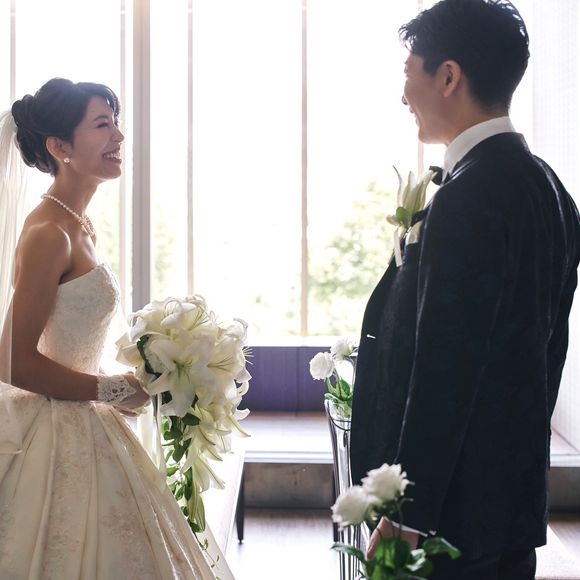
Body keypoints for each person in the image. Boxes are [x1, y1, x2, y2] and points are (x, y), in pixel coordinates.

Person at [350, 1, 580, 579]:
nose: (404, 95)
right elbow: (550, 352)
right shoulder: (552, 190)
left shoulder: (468, 196)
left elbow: (444, 368)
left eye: (410, 73)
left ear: (449, 76)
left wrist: (409, 513)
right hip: (511, 504)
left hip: (451, 519)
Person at [0, 78, 229, 579]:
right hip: (54, 430)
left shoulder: (79, 224)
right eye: (102, 125)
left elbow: (63, 344)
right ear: (60, 147)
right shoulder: (48, 233)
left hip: (84, 414)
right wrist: (111, 390)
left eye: (116, 123)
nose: (119, 136)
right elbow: (12, 361)